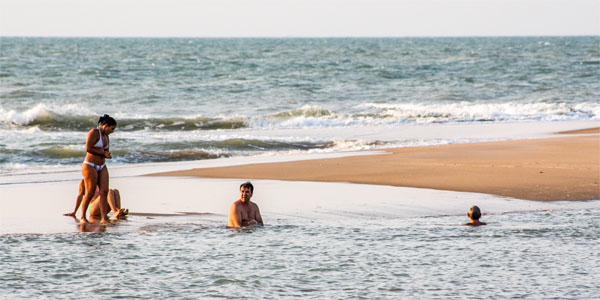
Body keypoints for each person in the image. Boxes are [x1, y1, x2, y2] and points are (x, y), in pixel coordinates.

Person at [80, 114, 116, 224]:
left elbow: (105, 151)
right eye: (112, 128)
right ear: (105, 125)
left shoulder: (106, 136)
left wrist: (107, 155)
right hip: (90, 165)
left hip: (102, 165)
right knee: (90, 192)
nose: (112, 131)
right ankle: (82, 217)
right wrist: (102, 152)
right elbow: (88, 148)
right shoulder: (94, 132)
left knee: (104, 191)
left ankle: (104, 217)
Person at [64, 179, 128, 220]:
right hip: (93, 208)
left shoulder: (99, 181)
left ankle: (119, 211)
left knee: (115, 191)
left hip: (103, 208)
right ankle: (115, 212)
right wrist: (74, 212)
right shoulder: (84, 181)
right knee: (109, 190)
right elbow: (80, 196)